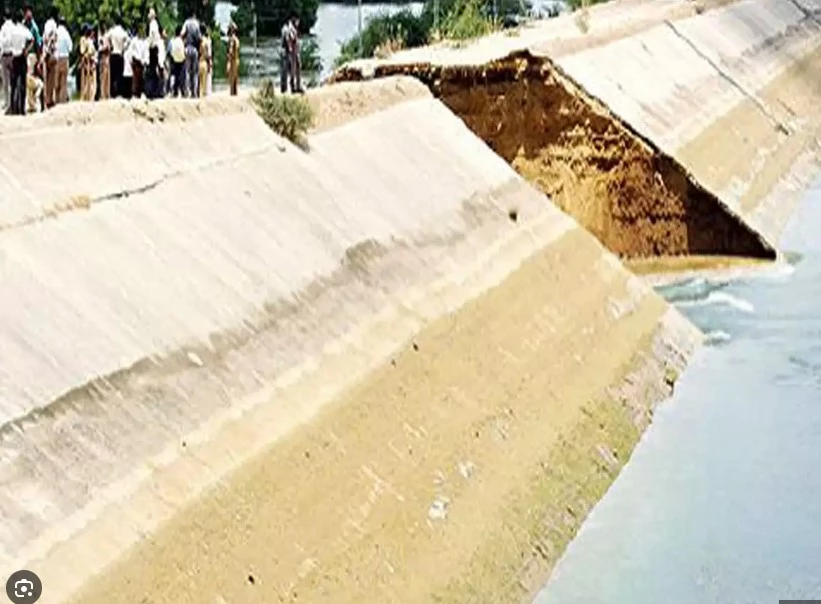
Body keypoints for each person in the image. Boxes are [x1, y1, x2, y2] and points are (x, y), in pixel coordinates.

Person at [8, 13, 33, 115]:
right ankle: (21, 109)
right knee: (22, 83)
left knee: (13, 83)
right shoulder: (24, 30)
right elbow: (32, 39)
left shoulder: (12, 31)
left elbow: (8, 43)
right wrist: (27, 50)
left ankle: (13, 108)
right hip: (22, 56)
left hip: (14, 57)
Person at [105, 15, 129, 98]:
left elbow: (105, 37)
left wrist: (109, 45)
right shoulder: (123, 32)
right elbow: (127, 41)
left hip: (113, 53)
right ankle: (119, 92)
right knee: (119, 74)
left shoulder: (112, 31)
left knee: (112, 74)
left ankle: (112, 93)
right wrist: (123, 48)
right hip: (120, 54)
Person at [279, 13, 302, 94]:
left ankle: (294, 87)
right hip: (287, 52)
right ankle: (286, 89)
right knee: (286, 71)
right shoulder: (287, 29)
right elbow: (289, 41)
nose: (298, 22)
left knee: (293, 70)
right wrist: (291, 51)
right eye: (297, 20)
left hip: (292, 52)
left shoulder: (292, 28)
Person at [181, 11, 200, 97]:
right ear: (194, 16)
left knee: (187, 71)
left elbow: (182, 34)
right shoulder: (196, 24)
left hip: (187, 48)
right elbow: (199, 37)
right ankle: (194, 92)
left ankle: (187, 92)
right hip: (195, 49)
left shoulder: (186, 23)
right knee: (195, 72)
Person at [42, 7, 57, 108]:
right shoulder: (53, 24)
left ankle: (46, 100)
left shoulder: (47, 24)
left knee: (46, 77)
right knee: (50, 78)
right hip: (51, 52)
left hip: (47, 52)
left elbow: (46, 37)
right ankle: (49, 100)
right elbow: (49, 37)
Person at [145, 7, 162, 98]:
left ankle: (153, 91)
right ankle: (155, 91)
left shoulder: (152, 24)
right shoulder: (155, 24)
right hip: (155, 48)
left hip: (153, 48)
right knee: (154, 70)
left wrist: (148, 44)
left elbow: (152, 37)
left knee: (152, 70)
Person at [54, 18, 71, 104]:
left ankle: (56, 100)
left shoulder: (56, 32)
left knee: (56, 81)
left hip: (56, 58)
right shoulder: (66, 33)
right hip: (65, 58)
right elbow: (70, 47)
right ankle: (62, 101)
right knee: (64, 82)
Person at [79, 24, 96, 101]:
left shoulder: (90, 40)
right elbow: (82, 51)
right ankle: (85, 98)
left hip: (91, 61)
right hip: (87, 61)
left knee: (92, 81)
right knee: (86, 81)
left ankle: (91, 98)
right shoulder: (83, 39)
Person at [1, 9, 14, 114]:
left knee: (6, 82)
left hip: (5, 55)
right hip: (13, 55)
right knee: (13, 81)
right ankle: (12, 103)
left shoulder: (3, 28)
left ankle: (7, 103)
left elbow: (1, 43)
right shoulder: (14, 27)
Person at [168, 25, 185, 97]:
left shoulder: (173, 41)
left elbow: (170, 50)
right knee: (181, 76)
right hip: (181, 60)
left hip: (174, 59)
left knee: (176, 75)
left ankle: (175, 91)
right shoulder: (180, 41)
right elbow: (182, 51)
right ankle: (182, 91)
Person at [130, 25, 146, 98]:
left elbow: (144, 52)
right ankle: (134, 93)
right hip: (136, 60)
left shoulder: (143, 41)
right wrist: (133, 59)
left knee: (141, 78)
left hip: (141, 61)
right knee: (135, 78)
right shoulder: (134, 40)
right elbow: (131, 50)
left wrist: (144, 60)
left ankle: (140, 93)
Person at [97, 22, 110, 100]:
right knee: (102, 76)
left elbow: (107, 47)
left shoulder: (105, 37)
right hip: (102, 57)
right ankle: (103, 94)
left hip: (105, 56)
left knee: (105, 75)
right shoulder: (101, 37)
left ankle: (105, 94)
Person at [226, 22, 239, 96]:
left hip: (233, 61)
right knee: (235, 80)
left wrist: (228, 61)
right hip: (237, 59)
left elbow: (230, 51)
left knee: (231, 80)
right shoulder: (237, 39)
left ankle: (232, 94)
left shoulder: (232, 39)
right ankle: (235, 94)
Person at [197, 23, 210, 98]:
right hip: (204, 62)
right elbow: (207, 54)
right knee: (204, 83)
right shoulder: (206, 41)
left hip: (199, 61)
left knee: (199, 83)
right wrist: (209, 64)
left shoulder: (198, 40)